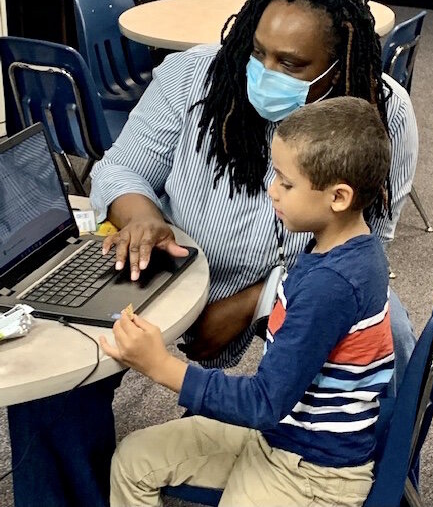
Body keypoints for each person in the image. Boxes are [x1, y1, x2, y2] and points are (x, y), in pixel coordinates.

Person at [6, 0, 416, 507]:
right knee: (59, 352)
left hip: (299, 289)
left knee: (398, 333)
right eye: (257, 53)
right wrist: (141, 215)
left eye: (291, 64)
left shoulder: (379, 115)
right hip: (173, 268)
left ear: (336, 71)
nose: (265, 72)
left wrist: (260, 301)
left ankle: (370, 477)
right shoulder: (193, 77)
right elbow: (119, 169)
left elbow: (366, 243)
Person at [100, 96, 394, 507]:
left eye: (286, 184)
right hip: (279, 434)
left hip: (311, 472)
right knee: (134, 460)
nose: (271, 191)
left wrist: (160, 366)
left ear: (339, 197)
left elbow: (264, 403)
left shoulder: (331, 285)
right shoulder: (348, 245)